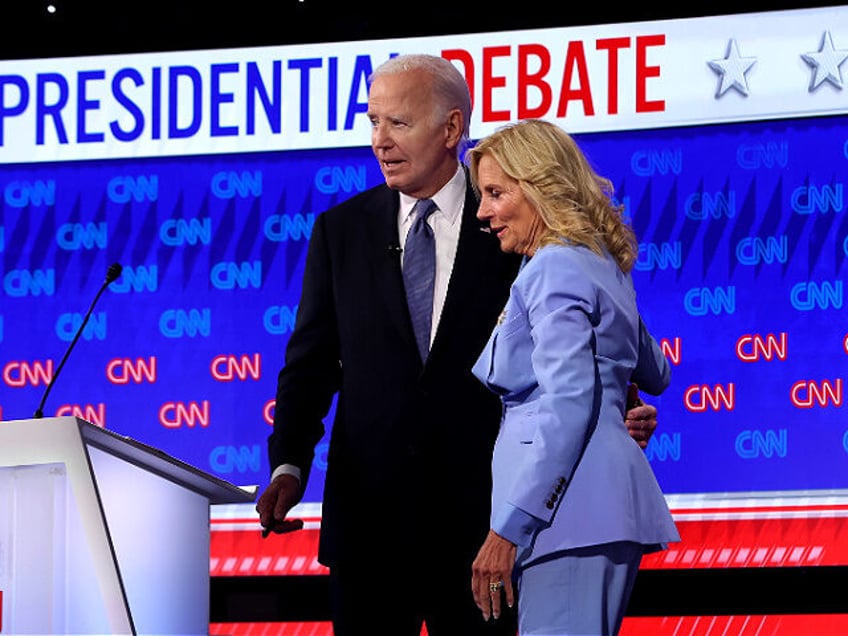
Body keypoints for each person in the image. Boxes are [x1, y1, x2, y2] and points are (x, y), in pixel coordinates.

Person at [255, 54, 660, 636]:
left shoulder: (510, 218)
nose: (379, 141)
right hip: (370, 526)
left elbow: (576, 332)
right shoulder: (340, 230)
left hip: (486, 523)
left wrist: (617, 406)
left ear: (450, 129)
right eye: (373, 122)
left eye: (397, 123)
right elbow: (310, 362)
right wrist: (289, 462)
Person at [466, 118, 679, 636]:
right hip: (594, 512)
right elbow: (656, 372)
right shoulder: (600, 262)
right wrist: (616, 395)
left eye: (496, 193)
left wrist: (508, 528)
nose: (483, 212)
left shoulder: (554, 267)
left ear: (539, 185)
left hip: (569, 517)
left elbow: (567, 406)